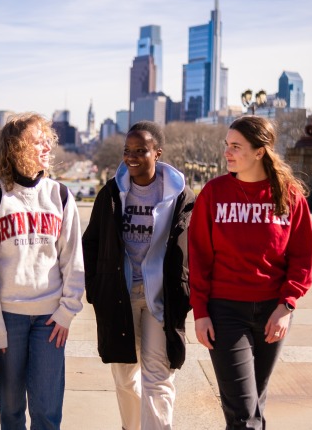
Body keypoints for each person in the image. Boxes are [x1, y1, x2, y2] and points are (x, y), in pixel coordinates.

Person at [188, 115, 312, 429]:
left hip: (273, 312)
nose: (227, 153)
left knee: (253, 405)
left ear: (260, 151)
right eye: (227, 145)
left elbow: (302, 256)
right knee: (245, 414)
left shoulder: (289, 196)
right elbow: (199, 257)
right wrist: (201, 311)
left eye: (235, 146)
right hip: (225, 312)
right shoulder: (214, 194)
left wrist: (286, 306)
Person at [0, 112, 85, 429]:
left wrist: (67, 311)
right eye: (38, 141)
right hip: (7, 319)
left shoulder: (60, 195)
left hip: (51, 321)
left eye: (48, 139)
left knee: (47, 412)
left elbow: (73, 259)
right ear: (16, 148)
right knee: (9, 410)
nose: (47, 145)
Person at [82, 121, 196, 430]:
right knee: (125, 377)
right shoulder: (112, 193)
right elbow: (91, 241)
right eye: (127, 151)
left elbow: (193, 247)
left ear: (157, 153)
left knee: (158, 378)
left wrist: (187, 290)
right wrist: (96, 288)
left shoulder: (180, 196)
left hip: (161, 298)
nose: (131, 157)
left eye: (140, 150)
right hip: (120, 295)